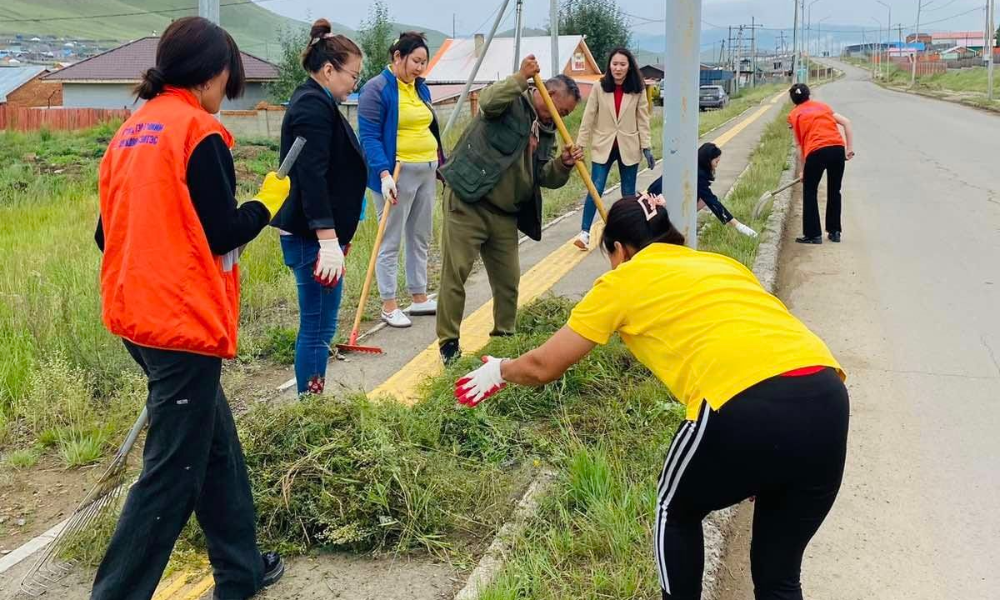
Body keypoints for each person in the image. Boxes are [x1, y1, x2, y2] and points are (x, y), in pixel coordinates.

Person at [455, 194, 849, 600]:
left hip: (741, 400)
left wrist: (499, 370)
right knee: (779, 579)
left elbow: (543, 366)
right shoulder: (718, 263)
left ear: (619, 249)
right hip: (826, 395)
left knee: (673, 510)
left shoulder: (622, 280)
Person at [93, 17, 287, 599]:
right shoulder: (197, 131)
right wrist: (268, 203)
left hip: (135, 314)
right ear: (213, 73)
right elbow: (224, 231)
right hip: (178, 324)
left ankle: (241, 569)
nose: (226, 97)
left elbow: (106, 235)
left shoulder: (132, 130)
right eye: (228, 81)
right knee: (171, 474)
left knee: (215, 447)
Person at [436, 55, 584, 364]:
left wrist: (563, 164)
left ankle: (504, 339)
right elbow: (488, 102)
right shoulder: (511, 99)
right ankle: (449, 344)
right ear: (549, 93)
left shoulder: (547, 131)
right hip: (468, 200)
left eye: (567, 114)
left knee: (508, 281)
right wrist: (520, 76)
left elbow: (543, 176)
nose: (562, 118)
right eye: (562, 110)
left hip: (504, 213)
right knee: (456, 274)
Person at [270, 20, 367, 395]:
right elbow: (311, 175)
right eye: (352, 75)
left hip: (321, 237)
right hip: (313, 239)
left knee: (321, 324)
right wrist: (328, 239)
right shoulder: (312, 105)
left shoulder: (319, 101)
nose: (354, 83)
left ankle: (313, 395)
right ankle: (310, 403)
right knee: (317, 326)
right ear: (329, 70)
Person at [358, 31, 445, 328]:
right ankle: (389, 303)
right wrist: (383, 173)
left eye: (424, 62)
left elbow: (429, 126)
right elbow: (369, 136)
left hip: (426, 169)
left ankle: (419, 297)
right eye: (416, 61)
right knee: (390, 238)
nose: (420, 68)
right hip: (395, 174)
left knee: (420, 235)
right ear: (398, 57)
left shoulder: (421, 89)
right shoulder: (376, 88)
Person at [573, 47, 652, 250]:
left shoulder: (638, 88)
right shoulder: (600, 87)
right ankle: (584, 233)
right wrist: (579, 144)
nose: (618, 68)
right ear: (609, 65)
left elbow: (643, 120)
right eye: (614, 64)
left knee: (628, 193)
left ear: (629, 67)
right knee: (595, 187)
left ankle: (628, 236)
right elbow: (589, 116)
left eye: (622, 64)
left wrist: (647, 147)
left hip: (629, 146)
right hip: (603, 145)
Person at [787, 83, 854, 244]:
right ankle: (835, 231)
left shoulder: (794, 114)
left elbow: (799, 146)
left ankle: (813, 234)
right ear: (808, 95)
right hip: (837, 149)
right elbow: (846, 122)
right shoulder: (823, 107)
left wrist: (803, 171)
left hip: (816, 152)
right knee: (834, 190)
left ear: (793, 100)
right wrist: (849, 149)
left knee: (810, 190)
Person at [646, 143, 757, 237]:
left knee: (703, 198)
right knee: (706, 199)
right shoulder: (697, 176)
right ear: (708, 160)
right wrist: (738, 225)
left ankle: (680, 220)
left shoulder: (691, 166)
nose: (717, 165)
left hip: (655, 194)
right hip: (658, 203)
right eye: (716, 162)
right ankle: (677, 223)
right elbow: (713, 202)